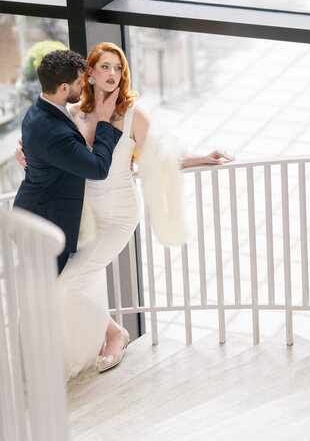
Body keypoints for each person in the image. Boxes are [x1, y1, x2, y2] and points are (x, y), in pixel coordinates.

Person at [15, 42, 234, 378]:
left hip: (118, 216)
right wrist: (27, 157)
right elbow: (56, 154)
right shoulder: (74, 113)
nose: (113, 75)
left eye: (118, 68)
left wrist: (203, 157)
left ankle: (115, 333)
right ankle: (110, 332)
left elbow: (158, 158)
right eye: (105, 67)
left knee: (65, 286)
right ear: (88, 73)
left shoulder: (133, 113)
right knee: (71, 282)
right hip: (86, 218)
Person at [12, 48, 121, 275]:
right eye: (79, 82)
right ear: (63, 88)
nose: (84, 85)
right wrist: (103, 120)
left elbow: (39, 147)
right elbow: (98, 168)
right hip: (43, 226)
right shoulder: (55, 132)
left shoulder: (37, 109)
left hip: (34, 214)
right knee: (48, 297)